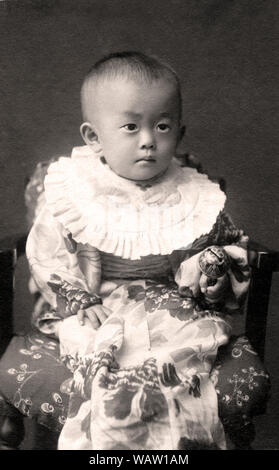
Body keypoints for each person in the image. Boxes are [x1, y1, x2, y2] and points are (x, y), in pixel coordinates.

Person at [25, 51, 252, 450]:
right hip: (98, 300)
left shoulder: (190, 192)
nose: (149, 140)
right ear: (94, 136)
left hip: (169, 301)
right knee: (101, 350)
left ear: (179, 134)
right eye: (131, 127)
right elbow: (47, 251)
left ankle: (178, 443)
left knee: (184, 351)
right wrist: (79, 298)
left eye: (162, 126)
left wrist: (210, 266)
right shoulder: (75, 187)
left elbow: (225, 246)